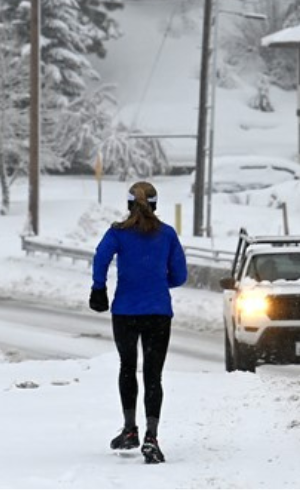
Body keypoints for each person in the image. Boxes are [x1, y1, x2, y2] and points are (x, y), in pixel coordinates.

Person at [90, 181, 187, 464]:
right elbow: (180, 276)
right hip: (158, 312)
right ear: (155, 205)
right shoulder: (167, 235)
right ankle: (151, 438)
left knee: (128, 368)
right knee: (153, 375)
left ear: (130, 204)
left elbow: (100, 257)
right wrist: (157, 282)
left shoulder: (117, 234)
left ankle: (130, 429)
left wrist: (99, 287)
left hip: (125, 312)